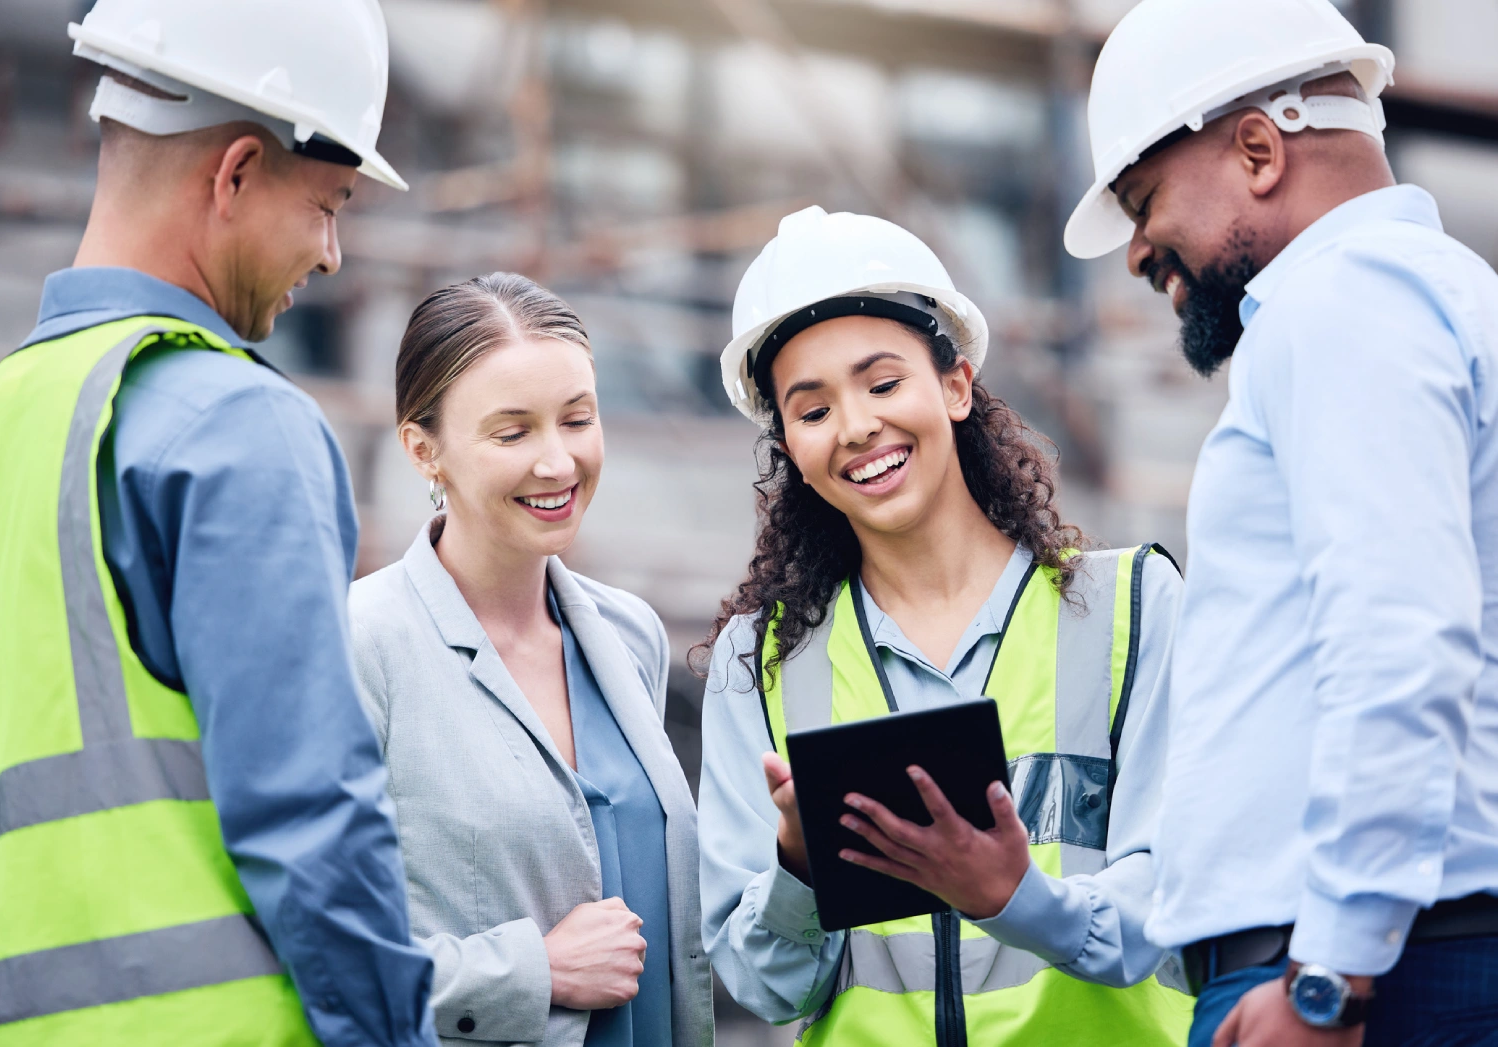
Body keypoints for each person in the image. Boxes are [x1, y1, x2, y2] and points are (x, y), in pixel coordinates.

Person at [0, 1, 437, 1045]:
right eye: (329, 204)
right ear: (235, 173)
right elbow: (314, 823)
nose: (332, 255)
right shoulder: (238, 423)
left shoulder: (14, 409)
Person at [1066, 1, 1498, 1045]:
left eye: (1144, 200)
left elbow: (1400, 640)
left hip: (1368, 975)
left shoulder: (1342, 304)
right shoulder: (1439, 299)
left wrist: (1330, 975)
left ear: (1258, 150)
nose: (1137, 254)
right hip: (1400, 952)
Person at [696, 204, 1193, 1045]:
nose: (857, 427)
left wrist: (1013, 897)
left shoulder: (1134, 608)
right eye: (812, 411)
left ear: (956, 386)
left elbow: (1177, 904)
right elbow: (763, 985)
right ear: (788, 445)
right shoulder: (763, 659)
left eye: (883, 383)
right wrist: (799, 870)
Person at [349, 273, 714, 1047]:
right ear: (424, 450)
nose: (558, 462)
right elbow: (319, 943)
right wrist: (533, 972)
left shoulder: (630, 634)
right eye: (512, 433)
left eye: (577, 419)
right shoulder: (360, 643)